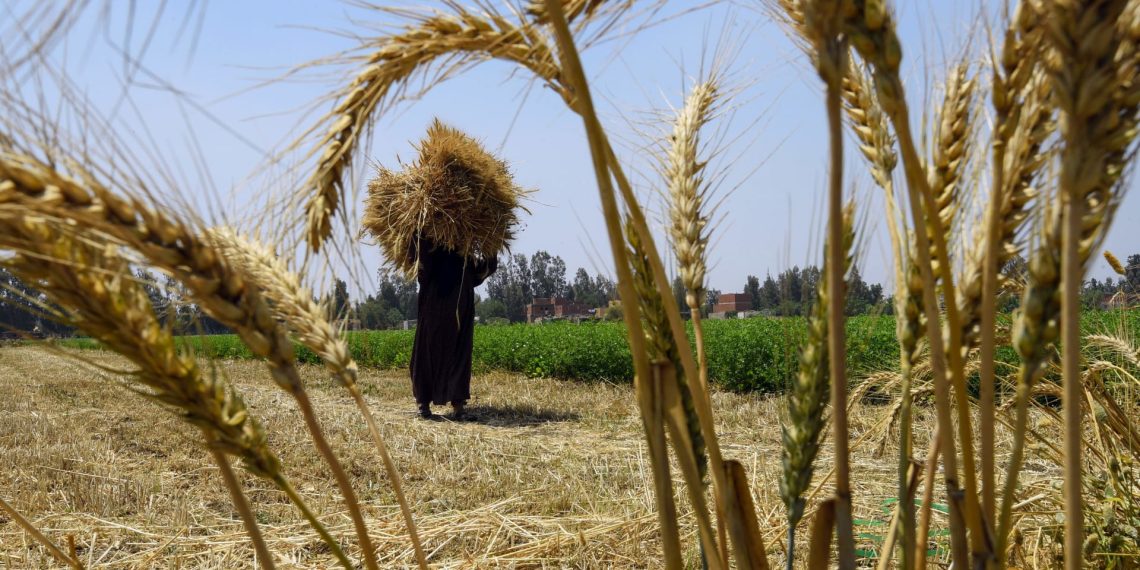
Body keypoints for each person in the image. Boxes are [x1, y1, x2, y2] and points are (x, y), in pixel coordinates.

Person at [409, 237, 498, 420]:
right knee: (428, 351)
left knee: (459, 353)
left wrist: (492, 245)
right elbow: (421, 270)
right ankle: (424, 403)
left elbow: (481, 272)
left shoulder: (464, 255)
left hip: (460, 308)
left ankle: (457, 405)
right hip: (435, 306)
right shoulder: (429, 245)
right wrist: (418, 239)